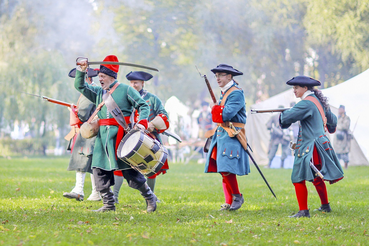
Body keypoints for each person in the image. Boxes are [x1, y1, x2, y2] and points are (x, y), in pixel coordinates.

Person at [74, 55, 158, 213]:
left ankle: (149, 197)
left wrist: (142, 123)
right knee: (98, 169)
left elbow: (143, 106)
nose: (100, 79)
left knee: (129, 173)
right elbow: (80, 86)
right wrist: (81, 70)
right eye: (99, 76)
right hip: (102, 139)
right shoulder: (99, 92)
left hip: (121, 137)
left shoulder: (126, 89)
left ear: (111, 76)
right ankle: (108, 204)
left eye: (102, 76)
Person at [279, 76, 344, 218]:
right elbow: (332, 121)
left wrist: (282, 114)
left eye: (296, 88)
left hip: (310, 147)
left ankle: (303, 211)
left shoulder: (306, 103)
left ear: (305, 88)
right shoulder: (318, 102)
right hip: (321, 144)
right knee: (316, 177)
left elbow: (286, 119)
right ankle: (325, 206)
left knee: (297, 178)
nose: (294, 90)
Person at [113, 71, 170, 203]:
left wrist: (151, 124)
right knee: (119, 166)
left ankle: (151, 197)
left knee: (151, 166)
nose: (133, 85)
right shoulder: (125, 96)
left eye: (136, 83)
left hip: (148, 137)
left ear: (142, 83)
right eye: (131, 83)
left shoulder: (153, 99)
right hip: (127, 137)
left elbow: (164, 116)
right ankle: (114, 197)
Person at [204, 64, 250, 211]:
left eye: (221, 75)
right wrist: (217, 108)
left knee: (226, 167)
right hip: (223, 133)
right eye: (216, 76)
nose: (217, 78)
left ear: (229, 76)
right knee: (222, 168)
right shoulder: (226, 92)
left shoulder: (235, 93)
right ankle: (229, 201)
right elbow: (220, 115)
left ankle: (237, 195)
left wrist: (214, 107)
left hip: (232, 133)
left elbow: (226, 114)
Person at [63, 68, 101, 202]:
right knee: (90, 163)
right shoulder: (96, 90)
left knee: (82, 160)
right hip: (93, 130)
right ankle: (95, 192)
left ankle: (79, 190)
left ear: (87, 79)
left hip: (88, 131)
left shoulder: (88, 92)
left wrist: (73, 111)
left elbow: (83, 113)